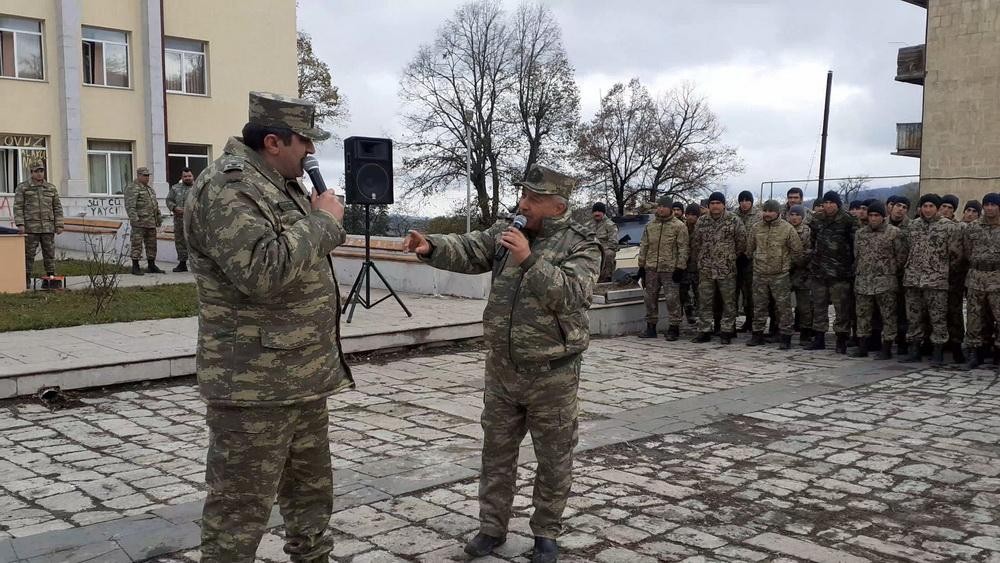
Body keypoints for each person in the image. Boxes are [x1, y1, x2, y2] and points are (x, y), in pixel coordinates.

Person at [185, 91, 353, 562]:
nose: (311, 151)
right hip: (253, 386)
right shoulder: (229, 188)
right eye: (305, 141)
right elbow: (260, 271)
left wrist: (316, 220)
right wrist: (322, 222)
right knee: (239, 511)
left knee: (311, 500)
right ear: (274, 141)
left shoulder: (278, 181)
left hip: (300, 377)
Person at [404, 164, 599, 563]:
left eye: (532, 198)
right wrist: (431, 245)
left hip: (552, 373)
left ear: (557, 205)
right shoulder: (507, 231)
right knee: (496, 454)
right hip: (503, 370)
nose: (522, 203)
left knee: (554, 457)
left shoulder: (583, 244)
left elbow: (572, 295)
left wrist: (530, 260)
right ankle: (491, 528)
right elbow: (471, 247)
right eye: (522, 195)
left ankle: (546, 533)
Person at [899, 193, 962, 365]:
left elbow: (956, 255)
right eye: (924, 206)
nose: (927, 210)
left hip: (936, 281)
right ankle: (914, 350)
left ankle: (938, 351)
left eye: (931, 206)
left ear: (937, 208)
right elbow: (905, 252)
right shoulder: (913, 226)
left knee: (938, 318)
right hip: (913, 279)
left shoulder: (949, 227)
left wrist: (943, 271)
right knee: (913, 317)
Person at [851, 201, 906, 359]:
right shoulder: (861, 233)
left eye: (877, 215)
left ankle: (887, 347)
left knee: (888, 316)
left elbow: (901, 257)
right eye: (871, 215)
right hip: (864, 282)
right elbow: (857, 255)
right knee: (863, 316)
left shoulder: (894, 233)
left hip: (885, 283)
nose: (873, 218)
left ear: (883, 217)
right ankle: (862, 346)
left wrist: (889, 270)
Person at [691, 191, 747, 344]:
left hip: (726, 268)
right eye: (712, 203)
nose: (715, 206)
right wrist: (702, 259)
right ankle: (704, 330)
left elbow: (741, 242)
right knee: (705, 301)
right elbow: (696, 243)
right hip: (706, 268)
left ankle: (727, 330)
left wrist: (729, 257)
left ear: (723, 205)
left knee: (728, 301)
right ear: (708, 205)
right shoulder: (702, 221)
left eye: (718, 203)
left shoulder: (733, 220)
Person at [746, 200, 802, 349]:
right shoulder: (756, 228)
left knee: (783, 307)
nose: (767, 214)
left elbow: (797, 251)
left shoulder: (787, 229)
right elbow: (749, 249)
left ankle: (785, 336)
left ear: (778, 212)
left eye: (771, 211)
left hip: (780, 275)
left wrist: (787, 266)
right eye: (765, 210)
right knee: (759, 306)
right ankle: (757, 334)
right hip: (760, 274)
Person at [807, 190, 857, 353]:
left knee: (841, 308)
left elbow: (854, 244)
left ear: (838, 204)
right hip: (819, 271)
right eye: (825, 203)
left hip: (840, 273)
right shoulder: (817, 219)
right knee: (819, 306)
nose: (828, 206)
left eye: (832, 203)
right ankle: (819, 337)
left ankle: (841, 339)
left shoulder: (848, 220)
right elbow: (813, 240)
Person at [636, 195, 688, 340]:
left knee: (672, 299)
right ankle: (651, 327)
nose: (661, 209)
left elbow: (683, 248)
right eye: (659, 206)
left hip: (669, 269)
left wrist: (680, 268)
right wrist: (641, 266)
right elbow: (644, 246)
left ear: (670, 208)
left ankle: (674, 327)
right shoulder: (650, 226)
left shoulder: (679, 226)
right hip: (651, 268)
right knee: (649, 298)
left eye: (664, 206)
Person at [962, 193, 1000, 371]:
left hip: (997, 278)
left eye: (994, 205)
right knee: (974, 318)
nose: (990, 208)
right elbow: (967, 252)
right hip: (976, 278)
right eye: (987, 205)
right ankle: (974, 353)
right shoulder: (973, 228)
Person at [13, 163, 63, 287]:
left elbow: (57, 207)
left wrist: (59, 224)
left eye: (41, 171)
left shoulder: (51, 188)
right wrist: (20, 224)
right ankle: (25, 279)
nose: (40, 173)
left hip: (48, 227)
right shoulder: (23, 188)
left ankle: (50, 279)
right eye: (37, 171)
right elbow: (18, 207)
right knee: (28, 255)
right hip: (31, 228)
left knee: (49, 254)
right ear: (31, 172)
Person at [124, 167, 164, 275]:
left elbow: (155, 205)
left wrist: (158, 218)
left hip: (151, 222)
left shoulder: (149, 189)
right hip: (139, 223)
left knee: (152, 245)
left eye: (148, 175)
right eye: (145, 175)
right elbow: (130, 206)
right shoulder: (133, 188)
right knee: (137, 244)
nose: (147, 178)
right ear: (139, 175)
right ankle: (135, 266)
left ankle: (151, 265)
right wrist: (135, 219)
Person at [787, 205, 814, 346]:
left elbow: (808, 252)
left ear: (802, 216)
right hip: (786, 273)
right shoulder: (784, 229)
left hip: (803, 273)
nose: (794, 217)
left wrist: (796, 262)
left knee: (804, 306)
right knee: (783, 305)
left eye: (797, 215)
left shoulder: (807, 231)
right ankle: (784, 331)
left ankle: (806, 332)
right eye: (792, 214)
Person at [735, 190, 760, 332]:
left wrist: (749, 255)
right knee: (734, 292)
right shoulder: (733, 216)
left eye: (747, 200)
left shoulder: (758, 216)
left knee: (750, 292)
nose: (744, 203)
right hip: (735, 260)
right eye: (742, 200)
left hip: (751, 261)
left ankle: (751, 320)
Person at [166, 167, 195, 272]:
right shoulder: (175, 188)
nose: (187, 178)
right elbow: (169, 200)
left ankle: (197, 265)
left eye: (189, 176)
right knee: (180, 241)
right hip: (179, 221)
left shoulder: (198, 187)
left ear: (193, 176)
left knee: (195, 242)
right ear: (181, 177)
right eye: (185, 176)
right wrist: (174, 207)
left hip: (194, 221)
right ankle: (182, 264)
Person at [681, 203, 702, 324]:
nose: (690, 217)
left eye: (694, 215)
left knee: (700, 295)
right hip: (684, 267)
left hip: (698, 268)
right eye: (688, 214)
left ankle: (702, 320)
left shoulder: (701, 229)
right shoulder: (681, 228)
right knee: (683, 294)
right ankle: (689, 313)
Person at [591, 202, 618, 283]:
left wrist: (600, 249)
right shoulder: (588, 224)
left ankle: (605, 279)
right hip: (591, 248)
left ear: (603, 212)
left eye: (599, 211)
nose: (597, 213)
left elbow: (613, 242)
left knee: (608, 254)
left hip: (605, 249)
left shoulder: (610, 225)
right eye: (595, 212)